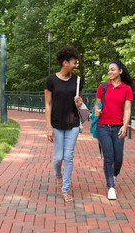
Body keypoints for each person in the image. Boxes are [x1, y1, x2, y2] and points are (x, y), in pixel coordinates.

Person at [44, 46, 83, 203]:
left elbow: (79, 103)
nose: (76, 66)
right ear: (65, 63)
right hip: (56, 124)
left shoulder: (78, 80)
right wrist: (48, 127)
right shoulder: (51, 80)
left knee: (68, 156)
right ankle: (58, 175)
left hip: (73, 123)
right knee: (58, 158)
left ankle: (65, 189)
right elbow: (47, 104)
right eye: (74, 63)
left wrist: (80, 102)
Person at [94, 60, 133, 200]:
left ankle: (113, 175)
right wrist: (96, 111)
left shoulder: (127, 89)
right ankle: (111, 186)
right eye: (108, 70)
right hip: (103, 127)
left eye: (113, 69)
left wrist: (125, 125)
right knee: (108, 157)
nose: (110, 72)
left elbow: (127, 109)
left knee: (119, 159)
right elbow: (96, 105)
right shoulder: (103, 87)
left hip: (118, 127)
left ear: (120, 71)